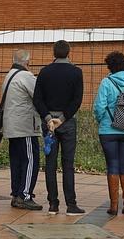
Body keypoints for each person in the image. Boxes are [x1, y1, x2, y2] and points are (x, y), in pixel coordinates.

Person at [33, 40, 85, 216]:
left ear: (53, 53)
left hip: (49, 125)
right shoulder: (76, 73)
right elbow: (77, 101)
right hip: (67, 122)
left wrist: (49, 118)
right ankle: (71, 204)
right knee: (68, 164)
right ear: (69, 52)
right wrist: (62, 119)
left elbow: (37, 99)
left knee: (50, 164)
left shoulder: (44, 72)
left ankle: (53, 204)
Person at [93, 51, 124, 216]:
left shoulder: (106, 83)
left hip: (108, 131)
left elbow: (99, 107)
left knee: (112, 165)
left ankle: (114, 205)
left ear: (110, 67)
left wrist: (102, 120)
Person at [2, 50, 43, 210]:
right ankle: (25, 195)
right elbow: (38, 95)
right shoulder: (26, 76)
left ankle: (16, 194)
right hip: (24, 127)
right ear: (27, 62)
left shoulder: (9, 75)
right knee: (30, 160)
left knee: (16, 161)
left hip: (11, 126)